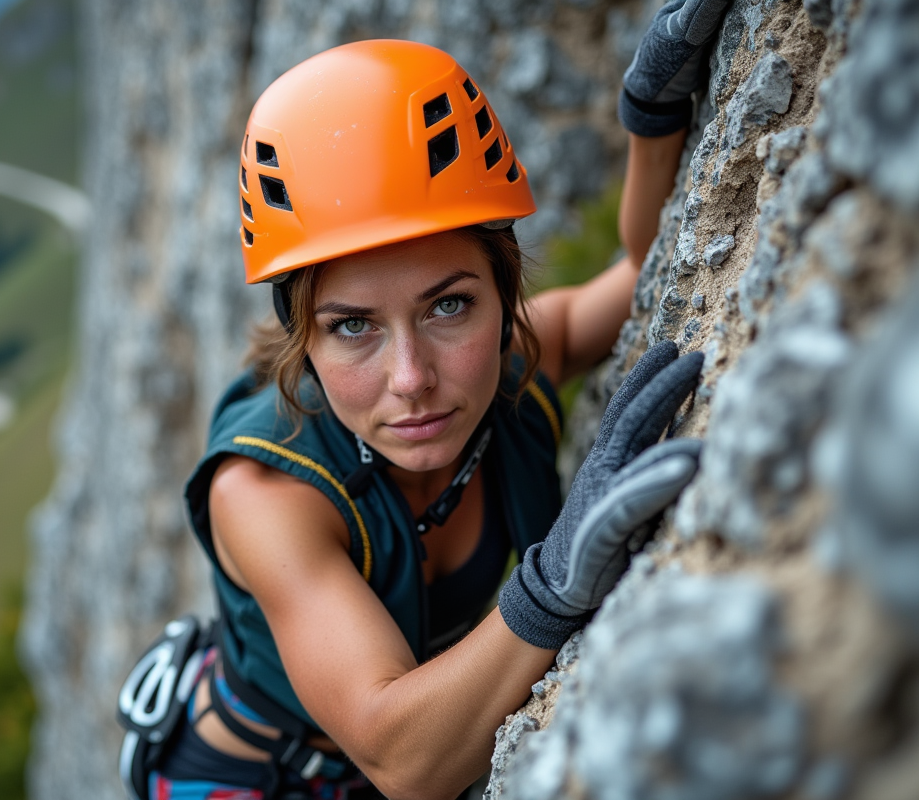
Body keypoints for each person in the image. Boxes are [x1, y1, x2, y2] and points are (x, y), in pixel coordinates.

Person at [138, 2, 728, 798]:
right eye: (353, 329)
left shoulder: (516, 363)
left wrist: (652, 125)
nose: (412, 377)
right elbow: (403, 759)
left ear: (502, 289)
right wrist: (556, 582)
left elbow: (650, 270)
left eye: (449, 306)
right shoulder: (264, 494)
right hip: (258, 776)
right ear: (300, 338)